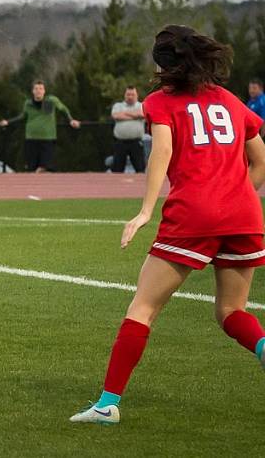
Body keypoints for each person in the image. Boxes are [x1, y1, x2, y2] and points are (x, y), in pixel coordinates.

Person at [70, 25, 265, 425]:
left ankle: (107, 405)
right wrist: (237, 193)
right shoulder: (230, 100)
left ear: (163, 66)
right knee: (231, 311)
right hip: (246, 214)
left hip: (193, 214)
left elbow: (161, 151)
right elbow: (261, 159)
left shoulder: (160, 102)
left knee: (142, 307)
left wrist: (145, 211)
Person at [0, 80, 81, 172]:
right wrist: (8, 122)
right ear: (33, 91)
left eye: (41, 89)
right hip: (31, 139)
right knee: (31, 168)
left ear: (44, 91)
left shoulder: (50, 101)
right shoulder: (28, 103)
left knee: (45, 166)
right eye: (36, 89)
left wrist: (71, 120)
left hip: (47, 138)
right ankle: (34, 184)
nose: (38, 91)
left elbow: (63, 109)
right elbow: (23, 116)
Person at [110, 86, 146, 173]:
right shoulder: (118, 106)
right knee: (117, 170)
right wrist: (135, 116)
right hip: (120, 143)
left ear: (137, 95)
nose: (130, 97)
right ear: (124, 95)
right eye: (128, 94)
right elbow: (116, 116)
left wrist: (125, 113)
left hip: (136, 143)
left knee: (140, 169)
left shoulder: (142, 105)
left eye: (132, 95)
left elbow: (142, 114)